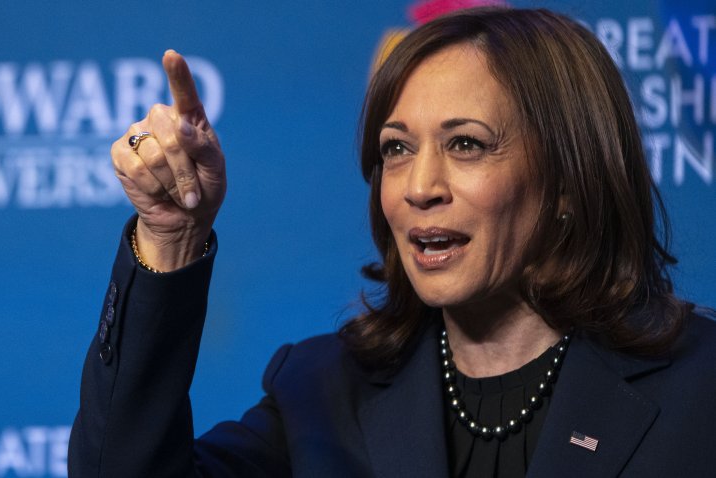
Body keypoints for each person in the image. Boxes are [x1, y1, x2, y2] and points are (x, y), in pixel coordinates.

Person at [68, 7, 716, 478]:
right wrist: (170, 233)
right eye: (397, 150)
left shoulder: (700, 389)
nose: (419, 186)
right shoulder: (322, 394)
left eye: (466, 144)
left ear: (569, 182)